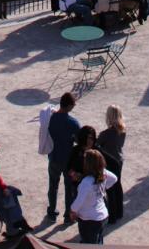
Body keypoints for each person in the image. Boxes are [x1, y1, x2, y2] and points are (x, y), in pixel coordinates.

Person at [44, 93, 80, 224]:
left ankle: (52, 212)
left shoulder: (50, 118)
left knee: (53, 186)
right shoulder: (73, 122)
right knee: (69, 188)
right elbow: (79, 140)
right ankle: (67, 216)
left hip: (53, 158)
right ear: (69, 106)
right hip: (68, 161)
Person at [69, 149, 115, 244]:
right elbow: (114, 178)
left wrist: (72, 211)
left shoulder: (87, 182)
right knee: (98, 240)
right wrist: (102, 189)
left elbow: (79, 201)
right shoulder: (103, 174)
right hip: (103, 216)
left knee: (88, 244)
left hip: (89, 220)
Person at [96, 105, 127, 224]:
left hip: (109, 162)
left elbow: (98, 145)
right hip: (119, 160)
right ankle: (119, 212)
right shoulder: (123, 130)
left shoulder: (105, 133)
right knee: (118, 185)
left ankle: (112, 216)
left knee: (109, 188)